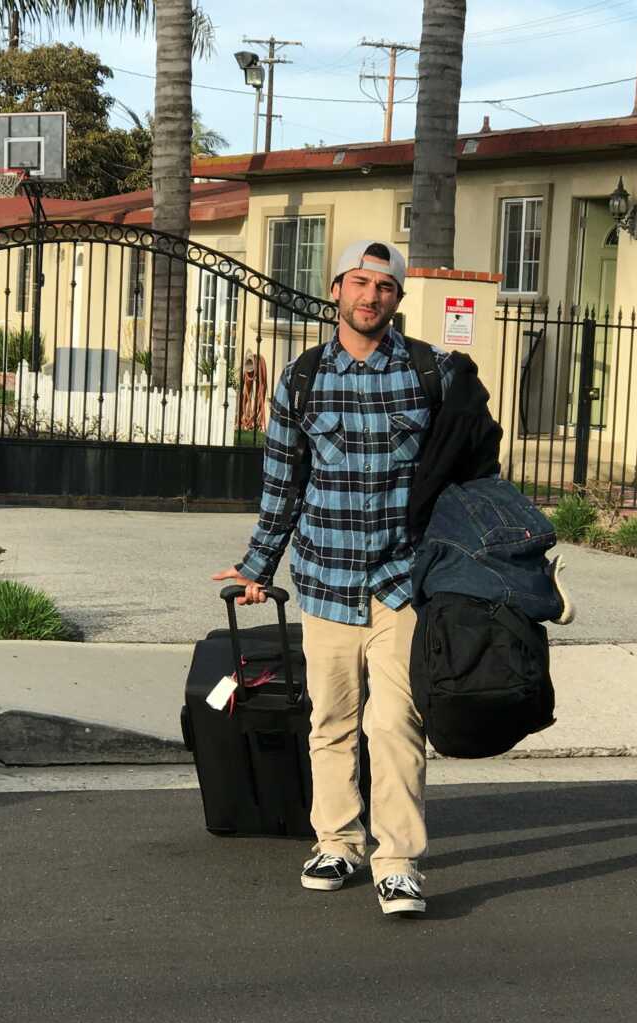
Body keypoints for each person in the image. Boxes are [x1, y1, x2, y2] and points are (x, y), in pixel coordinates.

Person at [212, 239, 458, 916]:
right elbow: (283, 483)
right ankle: (337, 842)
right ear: (335, 290)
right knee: (331, 721)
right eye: (359, 282)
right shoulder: (301, 378)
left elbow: (460, 476)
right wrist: (259, 565)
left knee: (397, 722)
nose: (370, 295)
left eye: (384, 286)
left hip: (401, 583)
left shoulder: (429, 374)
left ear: (398, 300)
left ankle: (400, 860)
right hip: (325, 578)